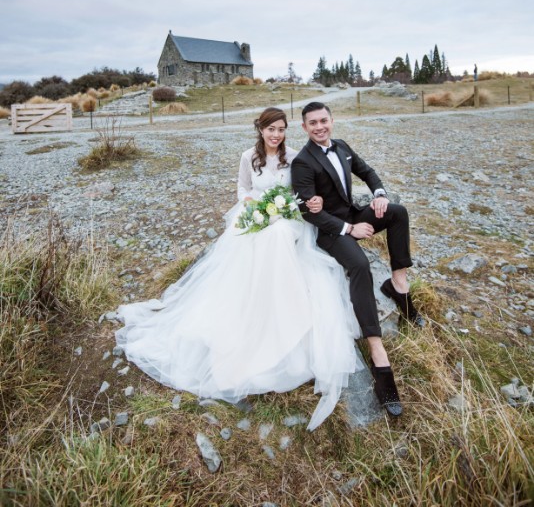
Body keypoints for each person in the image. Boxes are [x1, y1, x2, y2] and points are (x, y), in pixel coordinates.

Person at [116, 107, 363, 430]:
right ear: (260, 130)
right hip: (257, 215)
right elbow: (243, 188)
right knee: (252, 238)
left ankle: (285, 305)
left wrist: (295, 205)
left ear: (287, 131)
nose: (275, 135)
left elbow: (301, 190)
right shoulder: (249, 156)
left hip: (289, 219)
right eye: (270, 129)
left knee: (277, 235)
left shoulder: (295, 156)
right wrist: (251, 205)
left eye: (280, 129)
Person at [291, 102, 425, 417]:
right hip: (330, 231)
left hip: (351, 214)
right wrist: (349, 228)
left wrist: (378, 193)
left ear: (332, 121)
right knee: (360, 266)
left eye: (324, 120)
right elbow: (306, 212)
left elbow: (366, 171)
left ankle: (398, 285)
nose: (320, 127)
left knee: (397, 212)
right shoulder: (302, 162)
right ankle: (377, 351)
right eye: (313, 123)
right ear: (305, 128)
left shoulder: (342, 146)